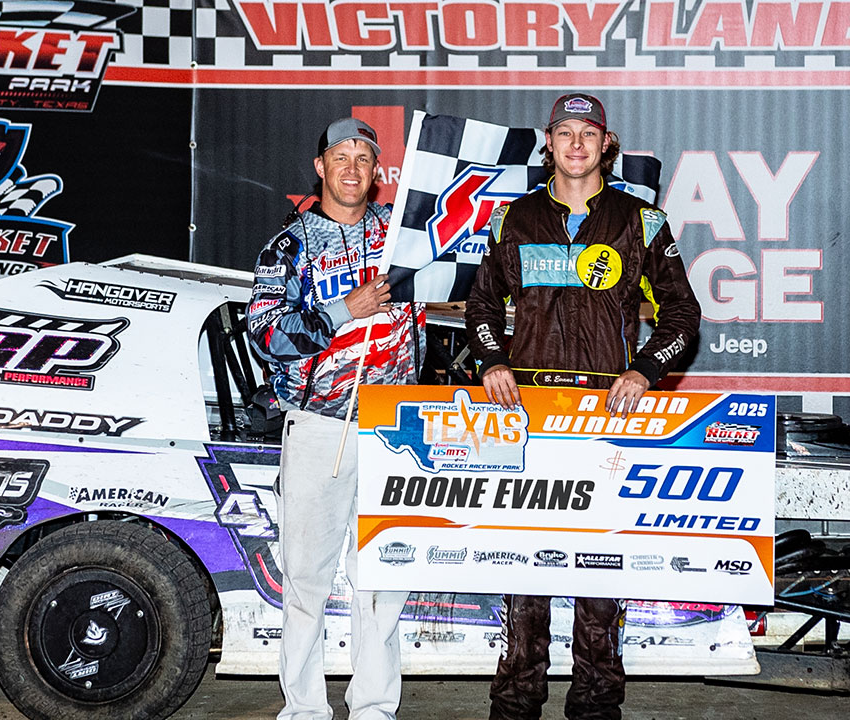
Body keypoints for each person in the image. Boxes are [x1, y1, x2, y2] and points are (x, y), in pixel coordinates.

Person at [464, 94, 701, 720]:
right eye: (564, 133)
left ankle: (597, 702)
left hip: (607, 415)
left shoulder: (641, 220)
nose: (575, 145)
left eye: (586, 134)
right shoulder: (511, 220)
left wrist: (646, 370)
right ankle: (516, 701)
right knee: (526, 565)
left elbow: (683, 316)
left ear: (606, 142)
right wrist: (491, 361)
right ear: (549, 142)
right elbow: (481, 307)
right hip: (529, 414)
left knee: (602, 565)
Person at [247, 116, 424, 720]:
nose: (352, 168)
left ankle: (375, 707)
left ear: (377, 171)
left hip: (395, 425)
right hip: (321, 425)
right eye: (340, 157)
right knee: (307, 579)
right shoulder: (289, 243)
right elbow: (265, 333)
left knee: (382, 577)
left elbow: (450, 297)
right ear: (320, 167)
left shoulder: (405, 237)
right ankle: (303, 709)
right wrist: (342, 309)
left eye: (364, 158)